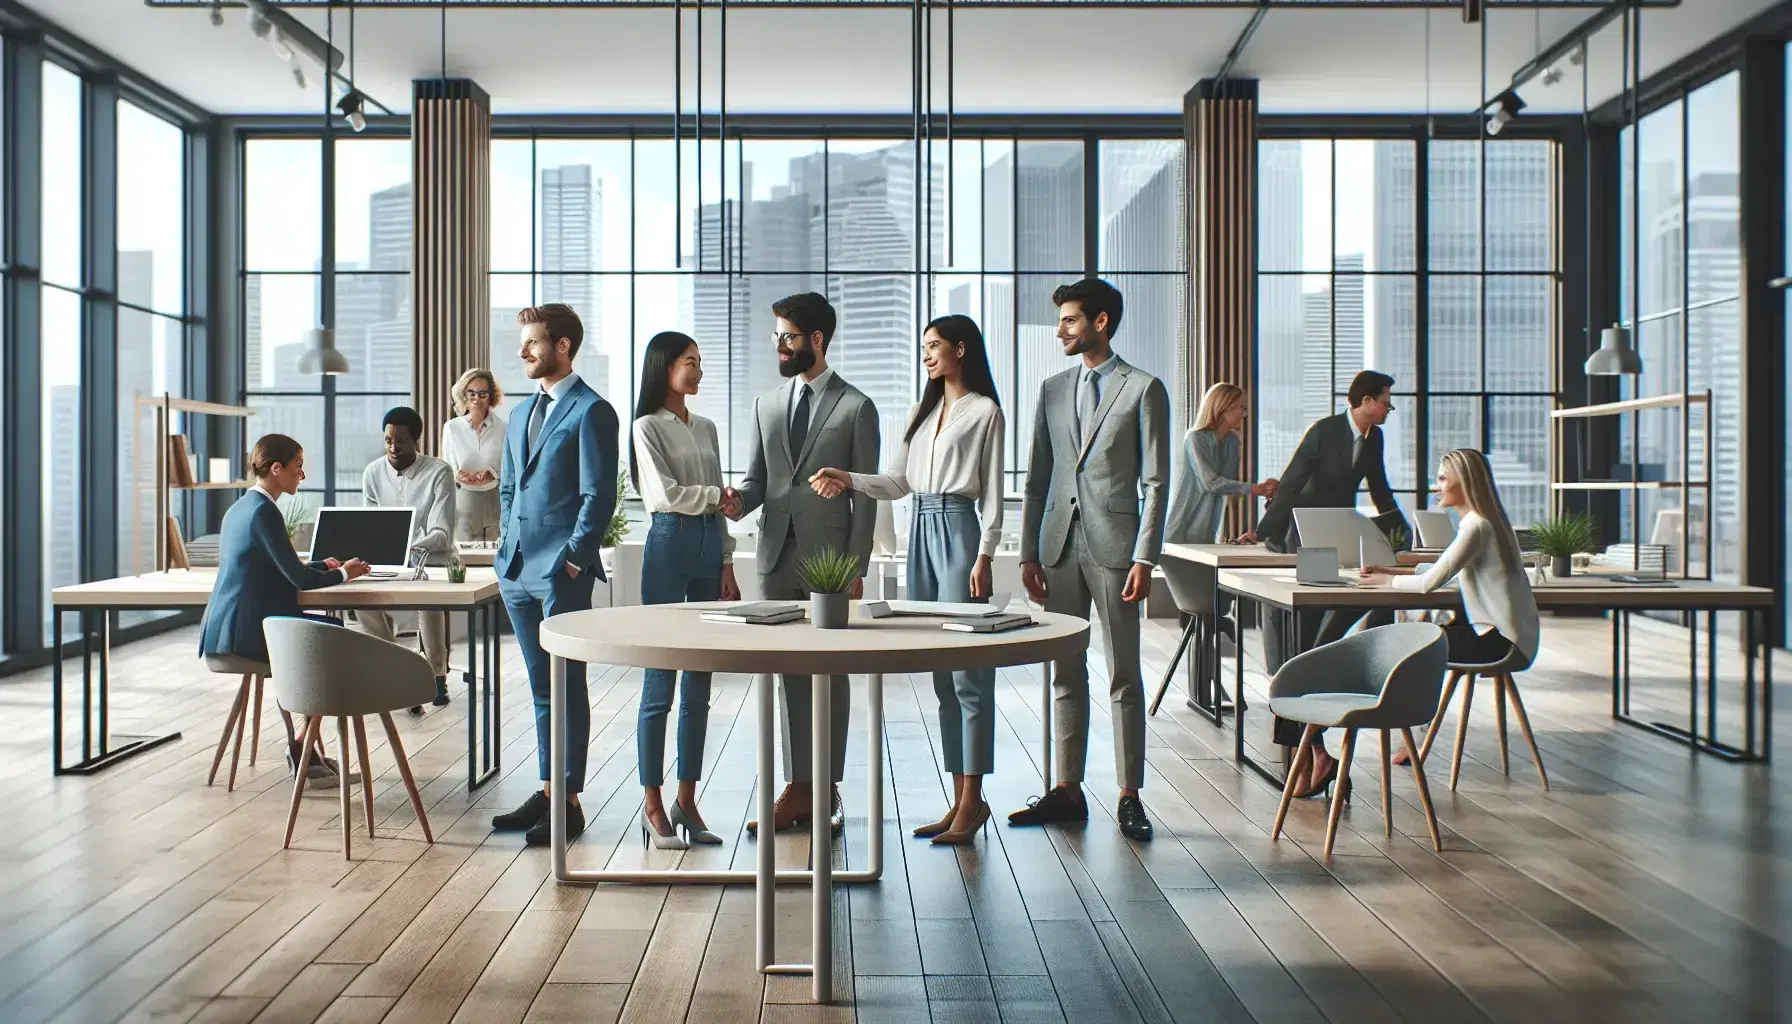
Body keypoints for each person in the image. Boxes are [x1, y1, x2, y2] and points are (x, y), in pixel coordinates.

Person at [811, 314, 1004, 846]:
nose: (926, 355)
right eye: (923, 347)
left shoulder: (986, 412)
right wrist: (848, 478)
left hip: (960, 532)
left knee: (969, 673)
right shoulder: (922, 415)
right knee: (941, 671)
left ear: (961, 349)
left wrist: (985, 554)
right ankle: (961, 799)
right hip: (920, 527)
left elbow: (990, 495)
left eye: (934, 346)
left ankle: (972, 799)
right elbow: (897, 482)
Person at [1007, 278, 1170, 843]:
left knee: (1124, 673)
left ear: (1101, 322)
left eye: (1070, 321)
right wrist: (1028, 549)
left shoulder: (1144, 388)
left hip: (1117, 550)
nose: (1060, 331)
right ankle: (1067, 790)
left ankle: (1129, 794)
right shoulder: (1052, 389)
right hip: (1057, 548)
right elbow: (1036, 480)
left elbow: (1156, 481)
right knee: (1064, 672)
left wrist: (1146, 558)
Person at [724, 292, 879, 837]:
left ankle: (826, 788)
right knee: (786, 671)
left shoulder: (857, 407)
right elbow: (759, 482)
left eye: (788, 336)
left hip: (831, 562)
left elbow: (867, 496)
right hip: (773, 556)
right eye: (777, 338)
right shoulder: (766, 404)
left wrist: (856, 564)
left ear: (816, 339)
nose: (780, 346)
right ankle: (796, 788)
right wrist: (736, 502)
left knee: (829, 675)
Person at [489, 304, 620, 847]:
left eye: (533, 343)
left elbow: (599, 495)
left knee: (567, 685)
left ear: (563, 346)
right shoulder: (520, 414)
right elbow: (508, 489)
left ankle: (568, 802)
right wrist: (503, 548)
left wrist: (572, 558)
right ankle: (547, 791)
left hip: (560, 572)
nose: (523, 352)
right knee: (541, 688)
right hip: (516, 568)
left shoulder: (594, 411)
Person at [1254, 369, 1404, 797]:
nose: (1389, 409)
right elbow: (1291, 483)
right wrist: (1264, 531)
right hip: (1301, 538)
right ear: (1364, 400)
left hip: (1337, 536)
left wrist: (1401, 535)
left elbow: (1380, 490)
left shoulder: (1373, 439)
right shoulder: (1324, 431)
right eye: (1385, 401)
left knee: (1317, 645)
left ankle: (1311, 752)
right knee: (1301, 645)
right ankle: (1308, 753)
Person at [198, 434, 370, 787]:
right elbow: (298, 579)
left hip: (227, 629)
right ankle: (301, 750)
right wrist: (343, 573)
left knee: (328, 633)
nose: (302, 476)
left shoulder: (242, 507)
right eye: (298, 468)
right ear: (276, 469)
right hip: (247, 635)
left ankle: (306, 753)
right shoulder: (264, 512)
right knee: (335, 640)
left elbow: (275, 565)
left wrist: (322, 564)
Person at [630, 331, 742, 850]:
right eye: (688, 363)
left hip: (703, 547)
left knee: (699, 682)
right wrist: (717, 497)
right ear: (664, 367)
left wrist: (725, 559)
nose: (697, 371)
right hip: (669, 543)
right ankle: (653, 804)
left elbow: (715, 502)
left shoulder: (708, 428)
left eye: (700, 362)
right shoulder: (646, 427)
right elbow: (665, 495)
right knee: (661, 680)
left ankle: (687, 799)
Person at [1361, 448, 1539, 765]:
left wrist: (1386, 583)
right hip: (1505, 637)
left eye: (1443, 478)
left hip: (1498, 643)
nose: (1437, 486)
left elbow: (1429, 584)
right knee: (1420, 637)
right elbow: (1445, 574)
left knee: (1406, 645)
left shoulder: (1477, 527)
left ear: (1464, 481)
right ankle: (1415, 734)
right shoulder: (1486, 524)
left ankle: (1411, 736)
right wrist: (1393, 572)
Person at [356, 406, 456, 711]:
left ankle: (435, 674)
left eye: (400, 441)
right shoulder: (373, 472)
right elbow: (370, 525)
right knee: (359, 598)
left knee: (426, 593)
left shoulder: (439, 472)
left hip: (432, 558)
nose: (393, 448)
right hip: (388, 559)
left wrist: (405, 548)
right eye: (388, 440)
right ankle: (395, 667)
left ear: (417, 441)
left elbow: (442, 533)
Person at [1164, 382, 1277, 546]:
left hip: (1207, 536)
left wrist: (1266, 490)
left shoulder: (1232, 442)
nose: (1244, 414)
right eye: (1241, 407)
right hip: (1180, 535)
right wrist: (1253, 488)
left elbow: (1228, 486)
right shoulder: (1195, 439)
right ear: (1224, 406)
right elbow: (1211, 483)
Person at [442, 368, 506, 545]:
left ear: (491, 396)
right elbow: (448, 467)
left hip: (493, 500)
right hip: (463, 501)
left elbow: (507, 468)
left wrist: (492, 474)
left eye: (483, 394)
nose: (477, 399)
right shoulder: (451, 428)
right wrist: (459, 475)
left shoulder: (503, 429)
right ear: (464, 395)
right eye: (471, 393)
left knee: (493, 558)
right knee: (463, 560)